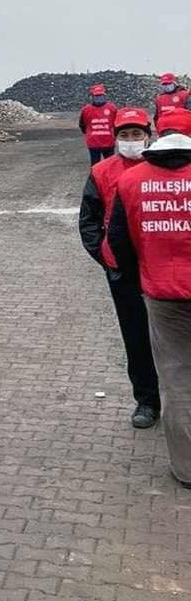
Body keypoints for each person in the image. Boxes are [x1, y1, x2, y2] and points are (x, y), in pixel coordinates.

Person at [107, 108, 191, 490]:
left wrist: (136, 274)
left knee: (176, 378)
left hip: (161, 292)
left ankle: (187, 469)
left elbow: (118, 243)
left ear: (155, 135)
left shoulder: (132, 181)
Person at [79, 107, 161, 429]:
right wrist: (107, 257)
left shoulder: (163, 168)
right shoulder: (101, 172)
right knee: (136, 335)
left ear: (148, 136)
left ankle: (178, 397)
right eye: (124, 136)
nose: (131, 141)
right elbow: (89, 221)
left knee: (173, 336)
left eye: (136, 135)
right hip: (124, 272)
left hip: (162, 269)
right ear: (115, 139)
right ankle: (147, 399)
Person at [80, 85, 118, 165]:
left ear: (104, 96)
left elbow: (117, 123)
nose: (99, 98)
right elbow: (82, 125)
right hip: (94, 143)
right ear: (92, 97)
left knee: (110, 165)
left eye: (100, 95)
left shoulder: (112, 108)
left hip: (108, 143)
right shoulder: (86, 110)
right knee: (95, 165)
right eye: (96, 96)